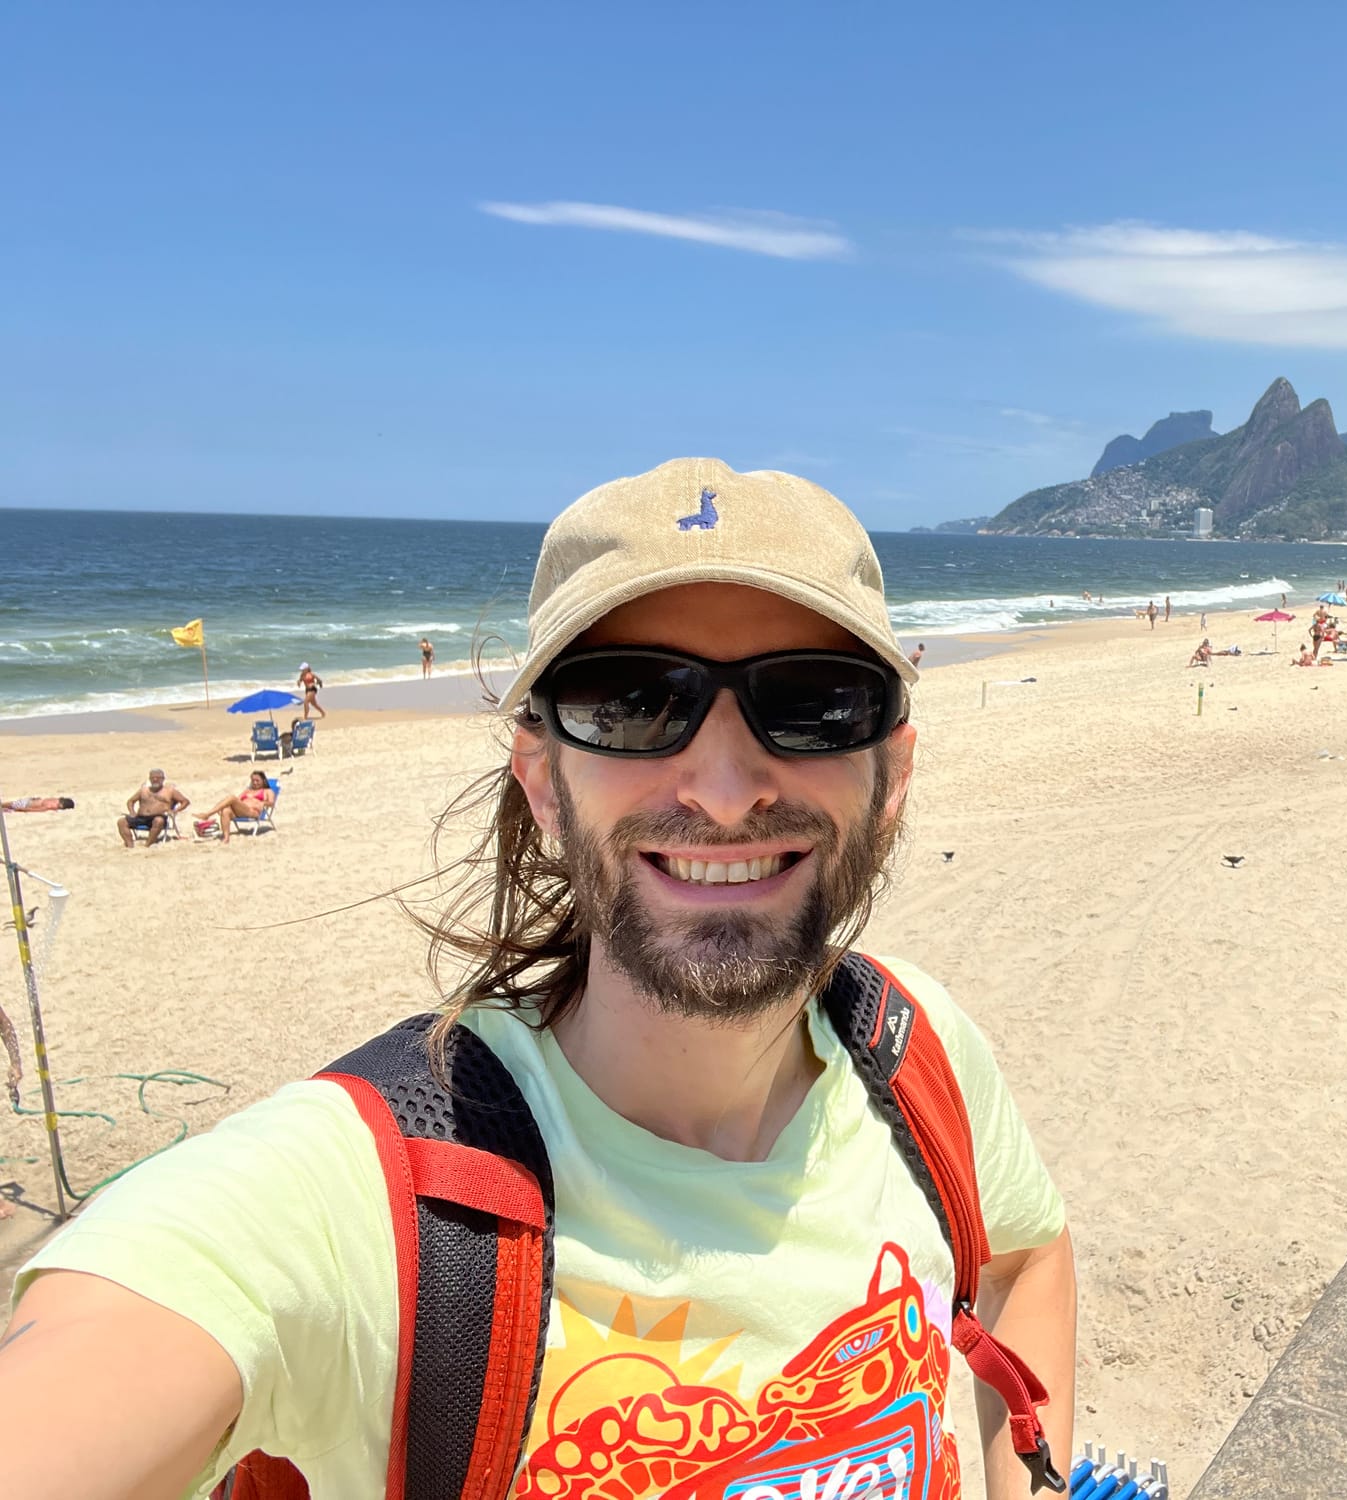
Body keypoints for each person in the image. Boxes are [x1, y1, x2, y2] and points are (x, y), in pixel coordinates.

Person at [2, 458, 1073, 1498]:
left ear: (891, 778)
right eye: (632, 703)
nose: (727, 785)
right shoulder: (370, 1199)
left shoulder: (915, 1048)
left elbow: (1027, 1262)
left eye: (813, 702)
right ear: (544, 787)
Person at [194, 769, 276, 842]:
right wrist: (224, 807)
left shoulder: (267, 791)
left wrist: (263, 803)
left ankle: (208, 814)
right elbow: (238, 801)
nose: (255, 782)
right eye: (253, 780)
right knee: (225, 810)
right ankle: (226, 838)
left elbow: (272, 803)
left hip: (253, 811)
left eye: (257, 780)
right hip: (241, 811)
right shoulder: (247, 791)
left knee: (232, 797)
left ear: (263, 780)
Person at [117, 767, 189, 848]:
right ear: (149, 779)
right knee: (121, 821)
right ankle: (130, 845)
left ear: (163, 779)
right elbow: (130, 801)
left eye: (158, 778)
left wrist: (175, 811)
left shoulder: (170, 791)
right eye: (152, 778)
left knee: (158, 821)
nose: (155, 779)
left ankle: (147, 844)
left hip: (158, 817)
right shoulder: (143, 790)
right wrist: (132, 812)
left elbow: (185, 801)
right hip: (140, 817)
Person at [4, 796, 74, 813]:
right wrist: (21, 810)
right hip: (27, 804)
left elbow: (36, 809)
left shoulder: (55, 800)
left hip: (28, 802)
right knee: (8, 806)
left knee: (8, 805)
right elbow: (34, 810)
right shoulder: (52, 804)